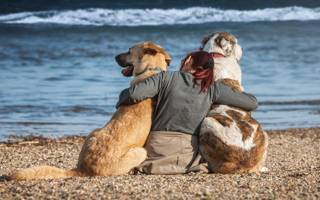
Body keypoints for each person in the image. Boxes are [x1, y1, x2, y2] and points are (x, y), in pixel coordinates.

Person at [116, 51, 258, 175]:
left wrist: (120, 99)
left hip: (157, 148)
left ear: (189, 60)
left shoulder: (166, 77)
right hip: (187, 155)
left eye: (184, 60)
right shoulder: (212, 88)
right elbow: (252, 102)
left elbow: (133, 94)